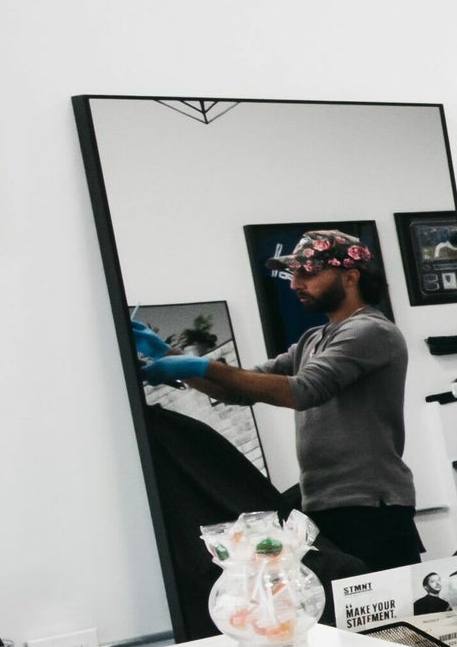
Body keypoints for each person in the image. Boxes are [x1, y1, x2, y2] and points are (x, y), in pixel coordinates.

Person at [136, 229, 417, 573]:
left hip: (371, 507)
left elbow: (304, 390)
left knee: (386, 613)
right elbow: (235, 389)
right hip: (324, 502)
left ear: (350, 277)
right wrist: (165, 352)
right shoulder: (313, 339)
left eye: (307, 272)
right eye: (293, 272)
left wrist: (198, 364)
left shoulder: (371, 332)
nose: (294, 282)